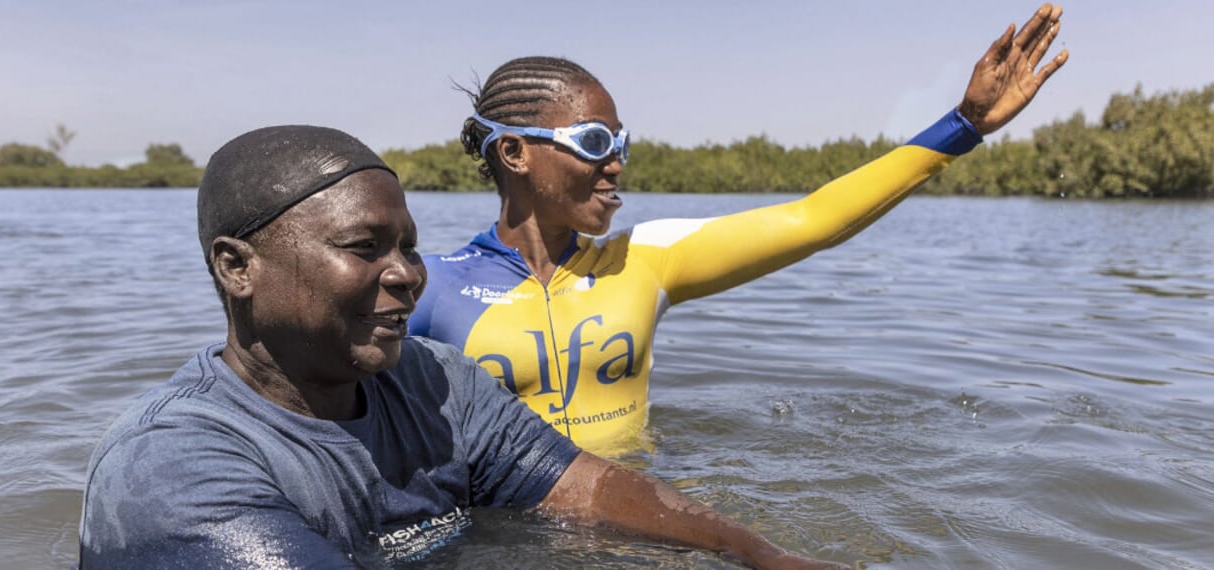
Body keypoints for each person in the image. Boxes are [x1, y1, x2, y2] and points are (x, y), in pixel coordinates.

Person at [78, 125, 843, 569]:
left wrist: (766, 557)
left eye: (407, 247)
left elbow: (587, 492)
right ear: (236, 267)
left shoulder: (434, 380)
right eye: (365, 247)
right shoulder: (174, 471)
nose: (407, 275)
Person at [410, 4, 1069, 453]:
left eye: (620, 142)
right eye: (590, 141)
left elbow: (814, 219)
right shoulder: (427, 290)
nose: (614, 163)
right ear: (514, 153)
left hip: (639, 520)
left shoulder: (644, 262)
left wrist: (964, 125)